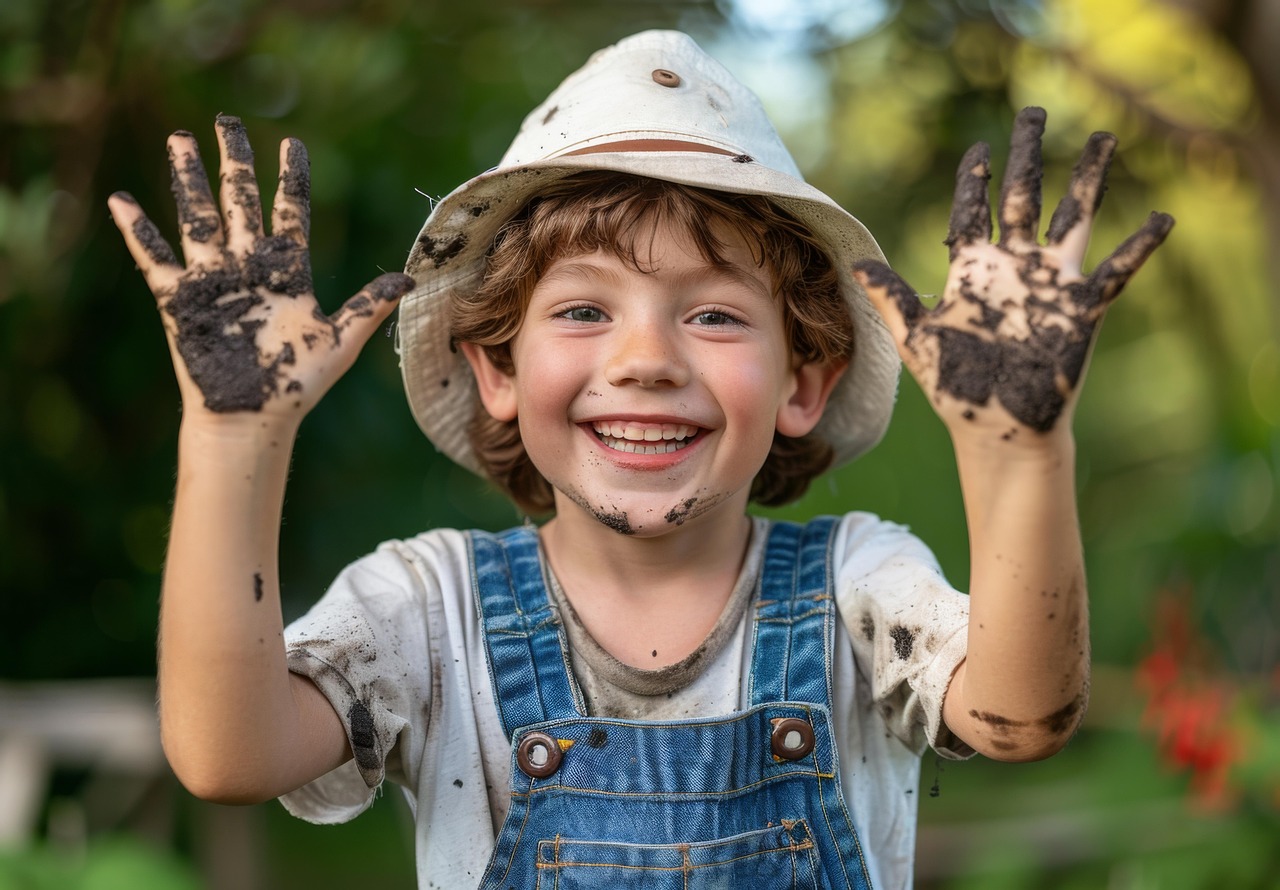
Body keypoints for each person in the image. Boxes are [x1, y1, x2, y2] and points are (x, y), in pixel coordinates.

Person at [107, 29, 1172, 890]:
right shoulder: (428, 610)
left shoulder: (858, 584)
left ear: (804, 379)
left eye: (711, 314)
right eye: (581, 309)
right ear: (495, 371)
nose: (647, 359)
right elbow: (226, 754)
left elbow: (1020, 712)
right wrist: (234, 434)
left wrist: (1016, 449)